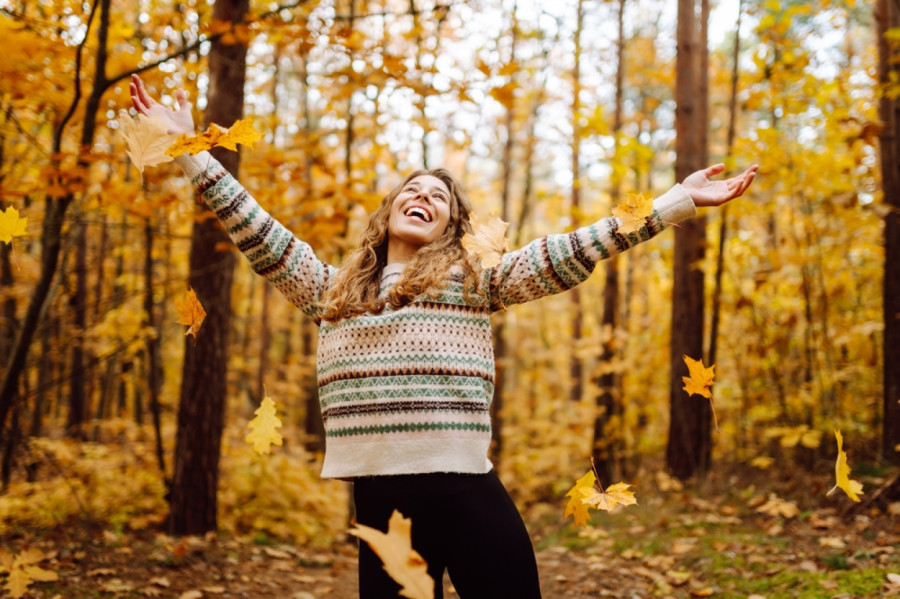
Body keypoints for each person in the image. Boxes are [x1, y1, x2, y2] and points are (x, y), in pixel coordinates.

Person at [130, 74, 757, 599]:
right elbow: (255, 228)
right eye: (414, 189)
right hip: (380, 498)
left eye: (439, 197)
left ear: (451, 226)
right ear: (390, 211)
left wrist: (674, 202)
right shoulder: (331, 290)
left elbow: (568, 249)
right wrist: (189, 148)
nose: (424, 197)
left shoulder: (472, 278)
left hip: (463, 483)